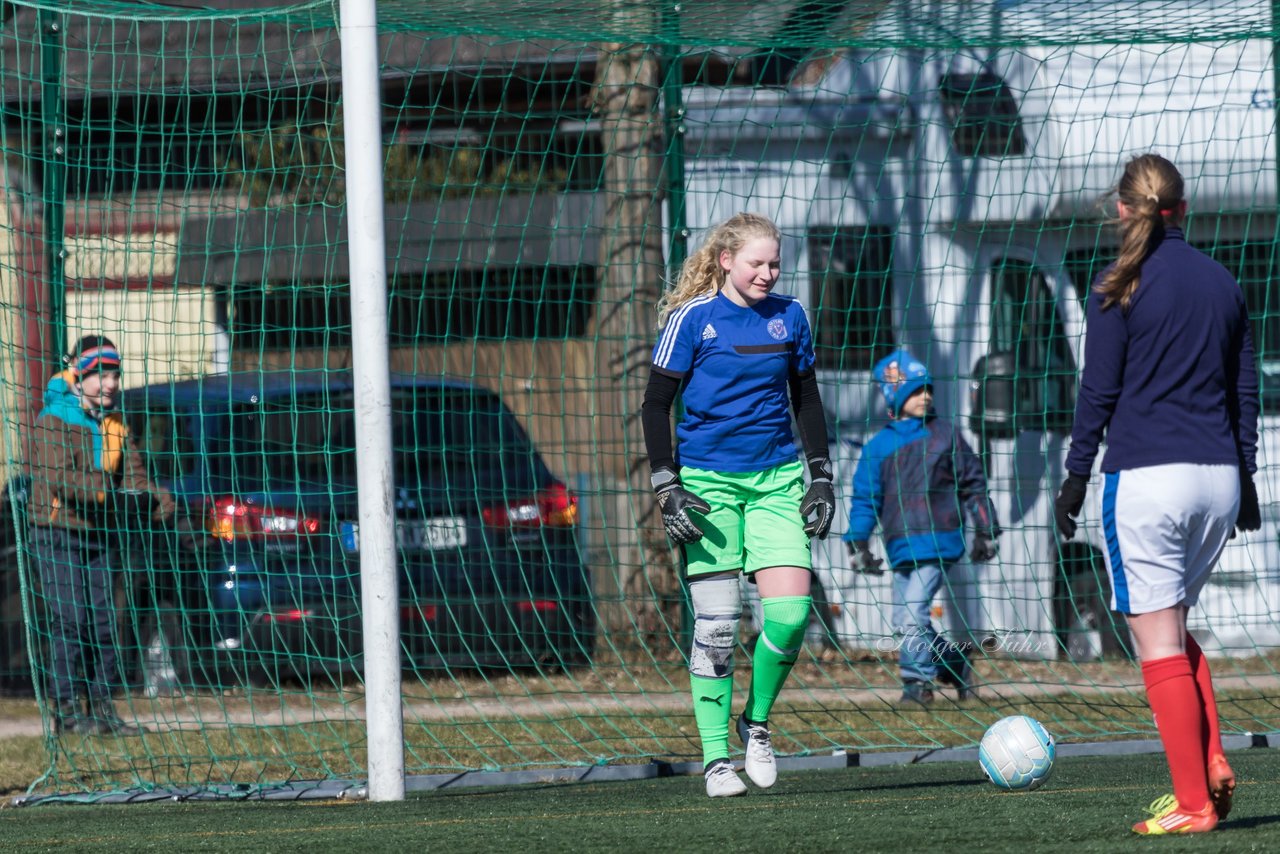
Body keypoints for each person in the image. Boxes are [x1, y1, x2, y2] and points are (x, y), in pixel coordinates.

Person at [1054, 153, 1259, 835]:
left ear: (1123, 209)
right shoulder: (1223, 281)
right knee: (1170, 624)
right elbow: (1244, 391)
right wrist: (1248, 476)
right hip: (1217, 480)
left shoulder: (1119, 283)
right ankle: (1211, 760)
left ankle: (1194, 803)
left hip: (1147, 479)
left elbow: (1099, 394)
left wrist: (1077, 476)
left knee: (1154, 639)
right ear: (1183, 208)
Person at [640, 212, 836, 798]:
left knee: (792, 615)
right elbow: (655, 406)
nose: (768, 273)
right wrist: (665, 485)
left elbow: (806, 395)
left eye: (775, 263)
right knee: (719, 628)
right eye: (757, 263)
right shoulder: (690, 320)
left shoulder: (790, 316)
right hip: (708, 486)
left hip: (777, 482)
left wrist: (820, 476)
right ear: (726, 260)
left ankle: (757, 722)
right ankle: (715, 760)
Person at [27, 335, 176, 736]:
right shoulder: (52, 420)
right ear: (79, 373)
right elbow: (60, 478)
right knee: (71, 622)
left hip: (99, 535)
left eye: (114, 374)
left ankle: (103, 708)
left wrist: (158, 501)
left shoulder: (115, 426)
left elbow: (135, 477)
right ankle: (69, 710)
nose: (110, 383)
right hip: (56, 533)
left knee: (105, 623)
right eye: (100, 374)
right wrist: (108, 492)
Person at [843, 349, 1000, 707]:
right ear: (893, 396)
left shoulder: (945, 436)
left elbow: (973, 483)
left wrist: (985, 530)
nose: (925, 396)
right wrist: (859, 543)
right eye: (916, 391)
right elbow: (865, 500)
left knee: (913, 613)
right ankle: (955, 664)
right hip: (900, 546)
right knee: (906, 619)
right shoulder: (877, 449)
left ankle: (917, 685)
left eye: (928, 389)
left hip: (939, 542)